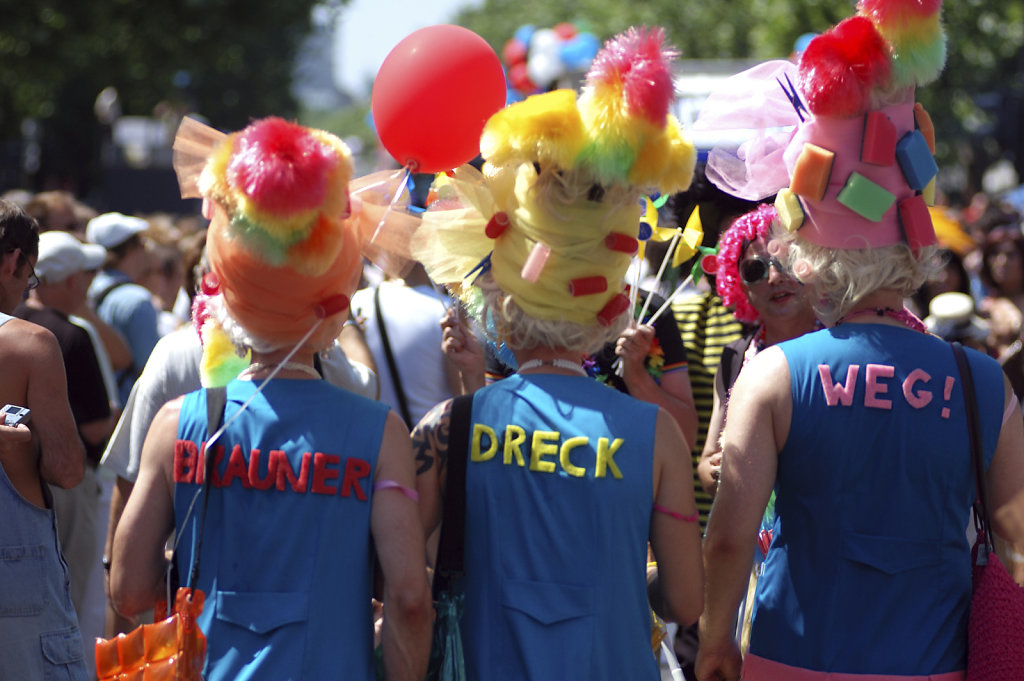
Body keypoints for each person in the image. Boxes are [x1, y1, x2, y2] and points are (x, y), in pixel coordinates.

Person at [695, 6, 1024, 679]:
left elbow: (730, 535)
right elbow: (1017, 533)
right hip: (935, 664)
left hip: (791, 659)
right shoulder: (982, 380)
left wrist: (716, 637)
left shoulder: (774, 374)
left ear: (809, 254)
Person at [411, 27, 704, 681]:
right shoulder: (655, 435)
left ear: (501, 297)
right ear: (610, 300)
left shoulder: (446, 428)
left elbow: (394, 576)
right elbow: (686, 598)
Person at [110, 116, 431, 680]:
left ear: (227, 291)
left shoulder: (176, 424)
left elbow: (128, 588)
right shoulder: (379, 432)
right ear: (332, 301)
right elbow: (408, 598)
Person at [0, 199, 89, 681]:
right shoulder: (30, 344)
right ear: (13, 261)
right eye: (28, 278)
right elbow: (67, 468)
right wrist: (25, 446)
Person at [14, 231, 115, 629]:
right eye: (82, 277)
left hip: (16, 480)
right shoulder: (73, 334)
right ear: (71, 280)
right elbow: (93, 430)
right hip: (65, 487)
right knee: (70, 601)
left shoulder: (11, 325)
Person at [696, 204, 819, 497]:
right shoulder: (735, 358)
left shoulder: (844, 347)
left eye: (786, 262)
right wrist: (719, 470)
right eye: (755, 269)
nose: (774, 278)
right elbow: (705, 466)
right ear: (739, 285)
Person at [86, 211, 161, 404]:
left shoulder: (85, 289)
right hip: (130, 406)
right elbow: (152, 371)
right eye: (142, 244)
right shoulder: (138, 299)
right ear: (130, 250)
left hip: (95, 405)